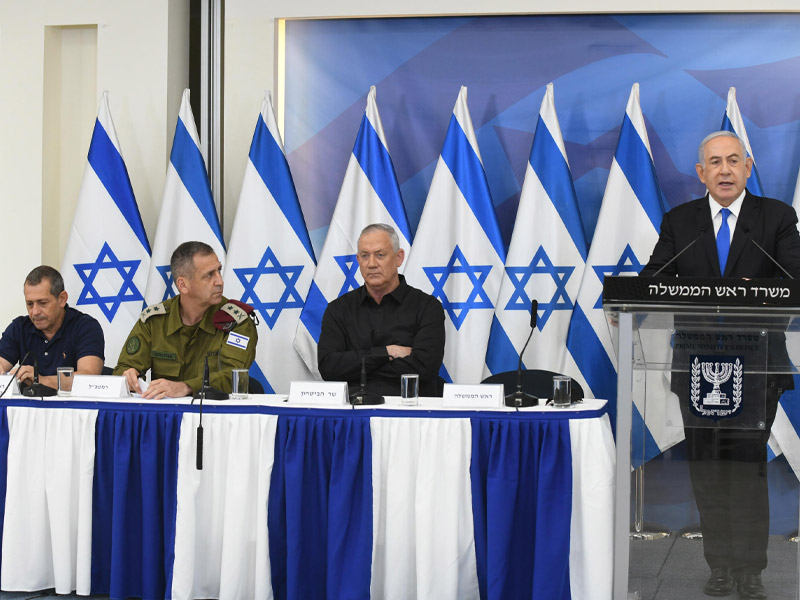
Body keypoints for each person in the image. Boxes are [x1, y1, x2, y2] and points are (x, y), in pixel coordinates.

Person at [641, 130, 800, 599]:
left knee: (746, 467)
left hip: (757, 368)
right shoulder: (680, 221)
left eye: (734, 161)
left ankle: (750, 568)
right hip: (696, 365)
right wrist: (623, 298)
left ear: (748, 167)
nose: (725, 170)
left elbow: (796, 279)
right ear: (701, 173)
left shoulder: (776, 217)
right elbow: (652, 280)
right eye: (715, 162)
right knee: (707, 468)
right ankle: (719, 566)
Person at [114, 241, 257, 399]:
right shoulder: (154, 321)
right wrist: (129, 376)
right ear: (183, 285)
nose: (220, 281)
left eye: (219, 271)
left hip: (217, 417)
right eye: (209, 275)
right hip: (165, 418)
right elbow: (124, 369)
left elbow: (232, 378)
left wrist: (186, 387)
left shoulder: (237, 323)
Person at [318, 223, 445, 397]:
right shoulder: (338, 309)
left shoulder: (428, 307)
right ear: (358, 260)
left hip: (411, 412)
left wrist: (359, 364)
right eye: (364, 256)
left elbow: (424, 369)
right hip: (355, 413)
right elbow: (329, 368)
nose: (371, 264)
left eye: (380, 255)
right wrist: (388, 352)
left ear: (399, 258)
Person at [0, 265, 104, 390]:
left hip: (72, 408)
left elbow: (89, 378)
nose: (35, 311)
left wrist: (42, 380)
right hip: (28, 408)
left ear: (62, 299)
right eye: (30, 304)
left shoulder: (86, 327)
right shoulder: (19, 328)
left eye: (42, 303)